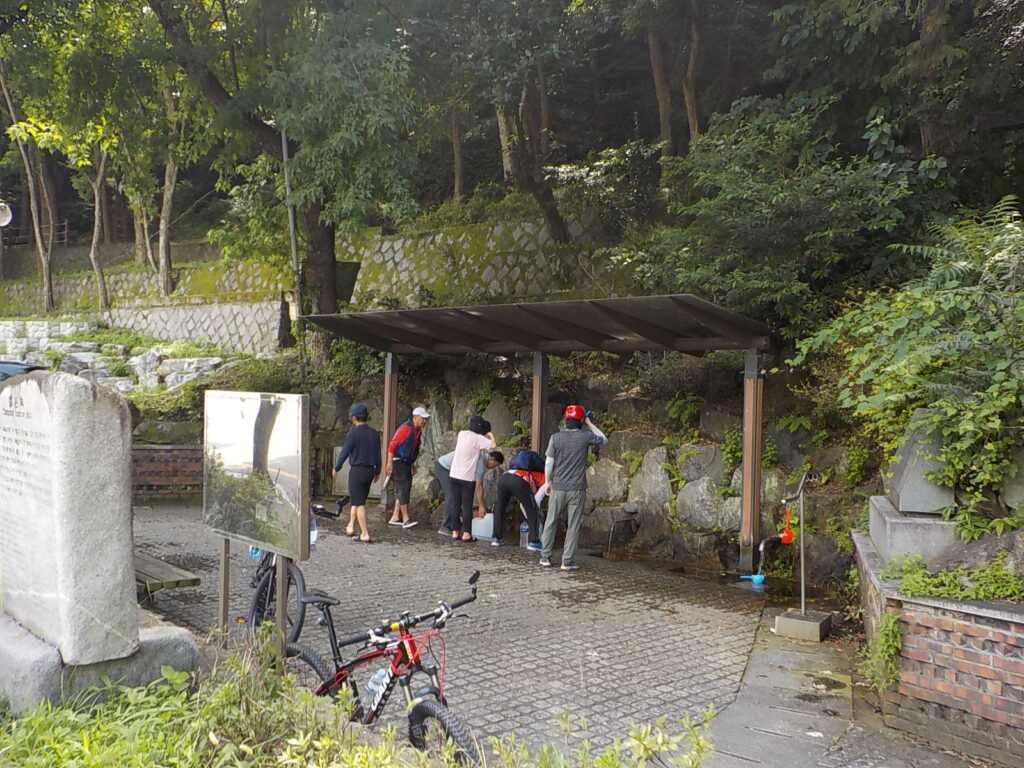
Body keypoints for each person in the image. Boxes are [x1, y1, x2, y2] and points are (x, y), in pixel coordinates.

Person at [539, 405, 607, 570]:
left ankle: (545, 557)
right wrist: (590, 423)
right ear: (581, 421)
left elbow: (549, 462)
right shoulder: (585, 437)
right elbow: (604, 439)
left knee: (551, 522)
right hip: (577, 488)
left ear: (565, 420)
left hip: (558, 487)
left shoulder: (555, 438)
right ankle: (566, 561)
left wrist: (548, 482)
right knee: (573, 525)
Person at [331, 403, 381, 544]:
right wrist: (377, 471)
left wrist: (337, 467)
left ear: (354, 418)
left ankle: (365, 533)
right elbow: (378, 454)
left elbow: (345, 452)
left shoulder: (353, 433)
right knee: (358, 499)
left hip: (357, 471)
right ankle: (350, 526)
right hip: (370, 471)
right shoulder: (374, 433)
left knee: (359, 504)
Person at [449, 416, 497, 541]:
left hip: (454, 475)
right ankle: (466, 534)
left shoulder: (462, 434)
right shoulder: (478, 439)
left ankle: (455, 532)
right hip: (467, 478)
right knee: (466, 506)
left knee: (455, 504)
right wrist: (490, 434)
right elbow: (493, 446)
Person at [435, 449, 504, 535]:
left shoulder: (482, 455)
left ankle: (455, 524)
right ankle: (445, 526)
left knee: (457, 496)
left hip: (455, 470)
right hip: (444, 467)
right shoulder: (481, 462)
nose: (492, 468)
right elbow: (479, 486)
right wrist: (481, 506)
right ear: (492, 459)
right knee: (452, 497)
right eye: (494, 465)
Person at [385, 406, 429, 528]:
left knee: (404, 489)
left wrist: (412, 464)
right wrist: (389, 463)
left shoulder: (417, 431)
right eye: (422, 418)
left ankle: (395, 516)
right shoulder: (406, 428)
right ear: (415, 418)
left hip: (406, 463)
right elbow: (392, 445)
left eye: (425, 419)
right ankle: (406, 519)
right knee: (403, 489)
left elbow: (412, 450)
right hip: (398, 461)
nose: (424, 421)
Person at [490, 459, 545, 549]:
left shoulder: (524, 470)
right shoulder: (547, 480)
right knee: (533, 510)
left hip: (504, 478)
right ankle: (534, 541)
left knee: (500, 507)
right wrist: (533, 514)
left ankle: (496, 538)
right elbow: (537, 499)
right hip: (519, 480)